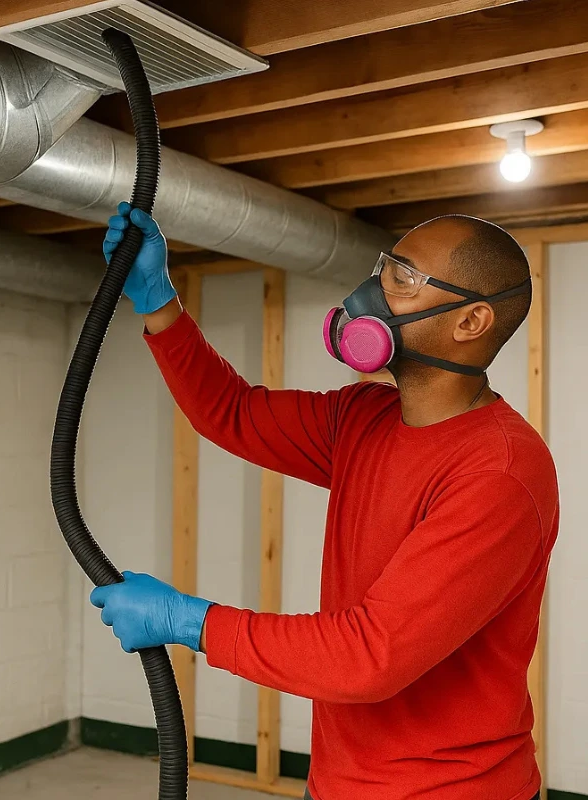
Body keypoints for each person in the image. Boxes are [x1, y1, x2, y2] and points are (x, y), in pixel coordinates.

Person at [90, 204, 559, 800]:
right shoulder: (363, 418)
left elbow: (371, 655)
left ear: (471, 322)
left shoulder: (499, 473)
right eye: (385, 269)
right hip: (337, 783)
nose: (373, 293)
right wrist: (159, 302)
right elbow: (231, 413)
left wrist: (190, 621)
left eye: (403, 281)